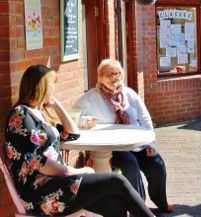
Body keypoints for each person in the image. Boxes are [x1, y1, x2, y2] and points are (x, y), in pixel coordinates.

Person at [4, 64, 155, 217]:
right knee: (117, 180)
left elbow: (73, 133)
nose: (54, 88)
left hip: (57, 183)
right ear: (41, 86)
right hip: (40, 192)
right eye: (52, 84)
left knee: (114, 205)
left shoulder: (39, 114)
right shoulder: (21, 114)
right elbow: (40, 164)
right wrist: (75, 171)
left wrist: (56, 105)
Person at [74, 59, 173, 213]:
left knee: (157, 164)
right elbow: (74, 117)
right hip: (115, 147)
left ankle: (161, 202)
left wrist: (151, 144)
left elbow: (145, 118)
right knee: (130, 165)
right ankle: (139, 208)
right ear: (100, 77)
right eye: (109, 74)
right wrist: (87, 121)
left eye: (117, 73)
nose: (114, 78)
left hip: (138, 144)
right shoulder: (92, 97)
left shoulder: (129, 93)